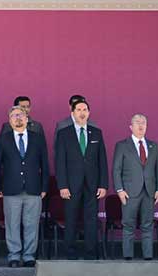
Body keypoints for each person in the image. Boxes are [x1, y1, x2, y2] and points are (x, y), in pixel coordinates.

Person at [0, 105, 48, 268]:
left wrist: (44, 187)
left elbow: (44, 164)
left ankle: (29, 256)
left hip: (33, 188)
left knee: (31, 225)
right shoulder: (3, 139)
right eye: (14, 115)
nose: (18, 118)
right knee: (12, 224)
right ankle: (14, 256)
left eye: (21, 115)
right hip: (11, 189)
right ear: (9, 120)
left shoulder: (37, 138)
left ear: (27, 118)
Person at [54, 99, 108, 260]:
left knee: (91, 219)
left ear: (89, 113)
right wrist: (62, 185)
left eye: (85, 110)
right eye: (78, 110)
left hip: (92, 184)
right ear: (72, 113)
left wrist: (103, 184)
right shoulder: (64, 133)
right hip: (71, 184)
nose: (82, 113)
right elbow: (60, 162)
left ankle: (91, 252)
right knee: (71, 218)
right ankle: (69, 251)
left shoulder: (96, 132)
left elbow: (102, 161)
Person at [112, 114, 158, 261]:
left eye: (143, 123)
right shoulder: (122, 145)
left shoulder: (153, 146)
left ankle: (148, 257)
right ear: (131, 127)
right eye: (137, 123)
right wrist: (119, 190)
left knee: (147, 225)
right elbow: (116, 169)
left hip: (149, 191)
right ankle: (128, 256)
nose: (141, 125)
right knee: (128, 225)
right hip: (129, 192)